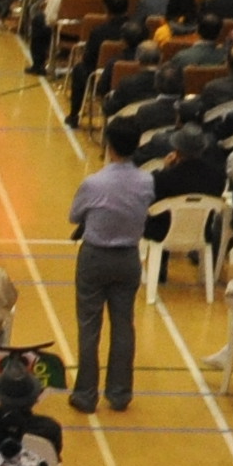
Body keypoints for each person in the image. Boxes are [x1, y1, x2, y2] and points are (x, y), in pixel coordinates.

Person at [63, 118, 151, 415]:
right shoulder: (147, 181)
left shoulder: (94, 183)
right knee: (124, 325)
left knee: (89, 326)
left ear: (109, 145)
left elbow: (74, 216)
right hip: (128, 258)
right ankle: (120, 393)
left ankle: (86, 394)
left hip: (95, 257)